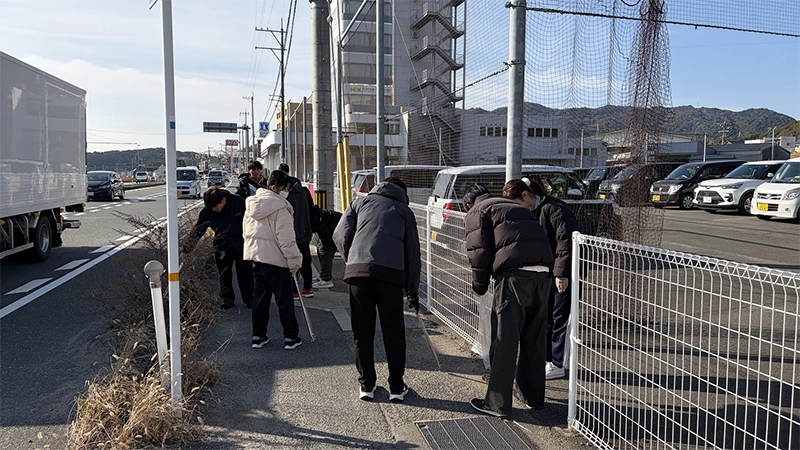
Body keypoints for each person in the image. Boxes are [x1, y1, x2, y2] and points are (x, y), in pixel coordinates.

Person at [463, 183, 554, 417]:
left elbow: (479, 253)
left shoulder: (477, 211)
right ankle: (533, 398)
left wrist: (479, 286)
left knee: (504, 340)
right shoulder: (514, 207)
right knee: (534, 339)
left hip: (514, 277)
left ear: (469, 204)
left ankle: (497, 404)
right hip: (543, 275)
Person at [333, 177, 421, 402]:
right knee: (393, 333)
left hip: (358, 274)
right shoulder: (404, 211)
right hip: (391, 276)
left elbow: (339, 234)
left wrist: (352, 258)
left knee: (362, 331)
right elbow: (412, 253)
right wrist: (412, 289)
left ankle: (366, 385)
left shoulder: (359, 203)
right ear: (402, 192)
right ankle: (396, 388)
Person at [505, 178, 579, 381]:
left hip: (562, 273)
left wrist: (561, 273)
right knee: (546, 318)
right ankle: (548, 360)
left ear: (525, 195)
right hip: (548, 273)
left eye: (517, 203)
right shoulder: (538, 210)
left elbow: (565, 242)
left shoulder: (555, 209)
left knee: (559, 318)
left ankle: (557, 363)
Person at [243, 170, 304, 350]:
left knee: (260, 300)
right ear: (274, 188)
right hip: (277, 261)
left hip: (257, 258)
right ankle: (290, 338)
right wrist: (295, 261)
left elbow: (245, 232)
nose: (287, 192)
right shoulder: (281, 209)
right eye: (285, 188)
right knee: (284, 301)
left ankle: (258, 336)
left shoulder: (251, 205)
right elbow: (286, 240)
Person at [188, 186, 253, 310]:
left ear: (223, 200)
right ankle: (227, 299)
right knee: (224, 273)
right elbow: (198, 231)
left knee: (245, 273)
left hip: (243, 244)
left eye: (215, 207)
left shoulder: (238, 202)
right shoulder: (207, 211)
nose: (214, 209)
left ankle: (249, 298)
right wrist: (187, 249)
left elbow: (252, 221)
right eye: (211, 207)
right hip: (222, 246)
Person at [278, 163, 316, 298]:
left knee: (290, 261)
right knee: (306, 260)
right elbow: (311, 209)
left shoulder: (282, 194)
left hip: (288, 232)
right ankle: (308, 288)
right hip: (304, 231)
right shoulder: (304, 191)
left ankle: (294, 291)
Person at [311, 205, 343, 289]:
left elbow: (326, 235)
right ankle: (323, 276)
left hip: (333, 232)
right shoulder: (316, 214)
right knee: (321, 251)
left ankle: (326, 279)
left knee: (325, 253)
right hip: (333, 229)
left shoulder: (316, 218)